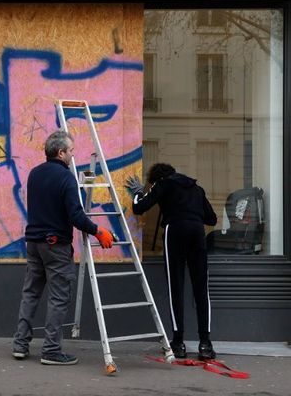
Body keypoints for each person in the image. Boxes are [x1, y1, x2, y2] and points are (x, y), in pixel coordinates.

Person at [12, 131, 115, 365]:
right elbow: (76, 216)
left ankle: (20, 345)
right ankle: (51, 350)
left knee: (30, 294)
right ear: (61, 153)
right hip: (56, 246)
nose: (73, 154)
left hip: (34, 244)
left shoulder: (34, 174)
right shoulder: (66, 178)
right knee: (58, 298)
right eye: (70, 151)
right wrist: (98, 231)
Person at [125, 163, 218, 361]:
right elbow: (211, 219)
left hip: (175, 230)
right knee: (201, 289)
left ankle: (178, 343)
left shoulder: (163, 184)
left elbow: (139, 207)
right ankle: (205, 344)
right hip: (197, 232)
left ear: (157, 178)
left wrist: (139, 192)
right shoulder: (196, 189)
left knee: (176, 287)